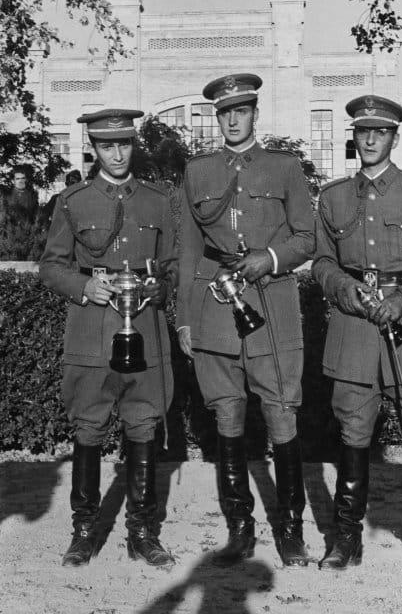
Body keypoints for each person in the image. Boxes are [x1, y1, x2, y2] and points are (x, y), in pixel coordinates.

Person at [312, 95, 402, 579]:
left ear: (396, 137)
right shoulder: (332, 196)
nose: (371, 139)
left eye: (381, 131)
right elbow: (323, 263)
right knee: (352, 433)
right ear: (353, 137)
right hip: (353, 328)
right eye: (362, 131)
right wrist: (342, 288)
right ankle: (346, 538)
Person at [177, 73, 315, 567]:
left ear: (256, 113)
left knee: (281, 415)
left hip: (271, 304)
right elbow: (189, 250)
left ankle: (292, 528)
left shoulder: (284, 168)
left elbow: (306, 237)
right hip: (216, 304)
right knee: (227, 416)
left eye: (241, 110)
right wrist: (184, 320)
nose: (233, 119)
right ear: (217, 117)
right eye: (224, 112)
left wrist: (271, 259)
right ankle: (240, 528)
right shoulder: (198, 171)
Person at [40, 109, 177, 568]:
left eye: (124, 144)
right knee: (89, 425)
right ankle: (84, 531)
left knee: (143, 423)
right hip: (92, 325)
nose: (117, 154)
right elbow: (51, 266)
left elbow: (172, 264)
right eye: (107, 145)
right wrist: (83, 287)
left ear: (133, 145)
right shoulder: (73, 200)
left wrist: (162, 286)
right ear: (93, 148)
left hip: (144, 323)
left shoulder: (158, 200)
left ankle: (142, 530)